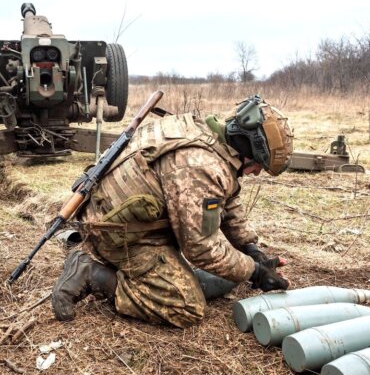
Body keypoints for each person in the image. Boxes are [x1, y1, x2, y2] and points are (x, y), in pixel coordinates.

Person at [52, 95, 293, 328]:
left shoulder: (205, 134)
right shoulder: (201, 166)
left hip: (114, 216)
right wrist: (255, 272)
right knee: (187, 307)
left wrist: (250, 248)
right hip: (118, 235)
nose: (256, 173)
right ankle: (92, 273)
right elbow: (200, 248)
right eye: (258, 166)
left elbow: (227, 198)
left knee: (223, 276)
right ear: (249, 148)